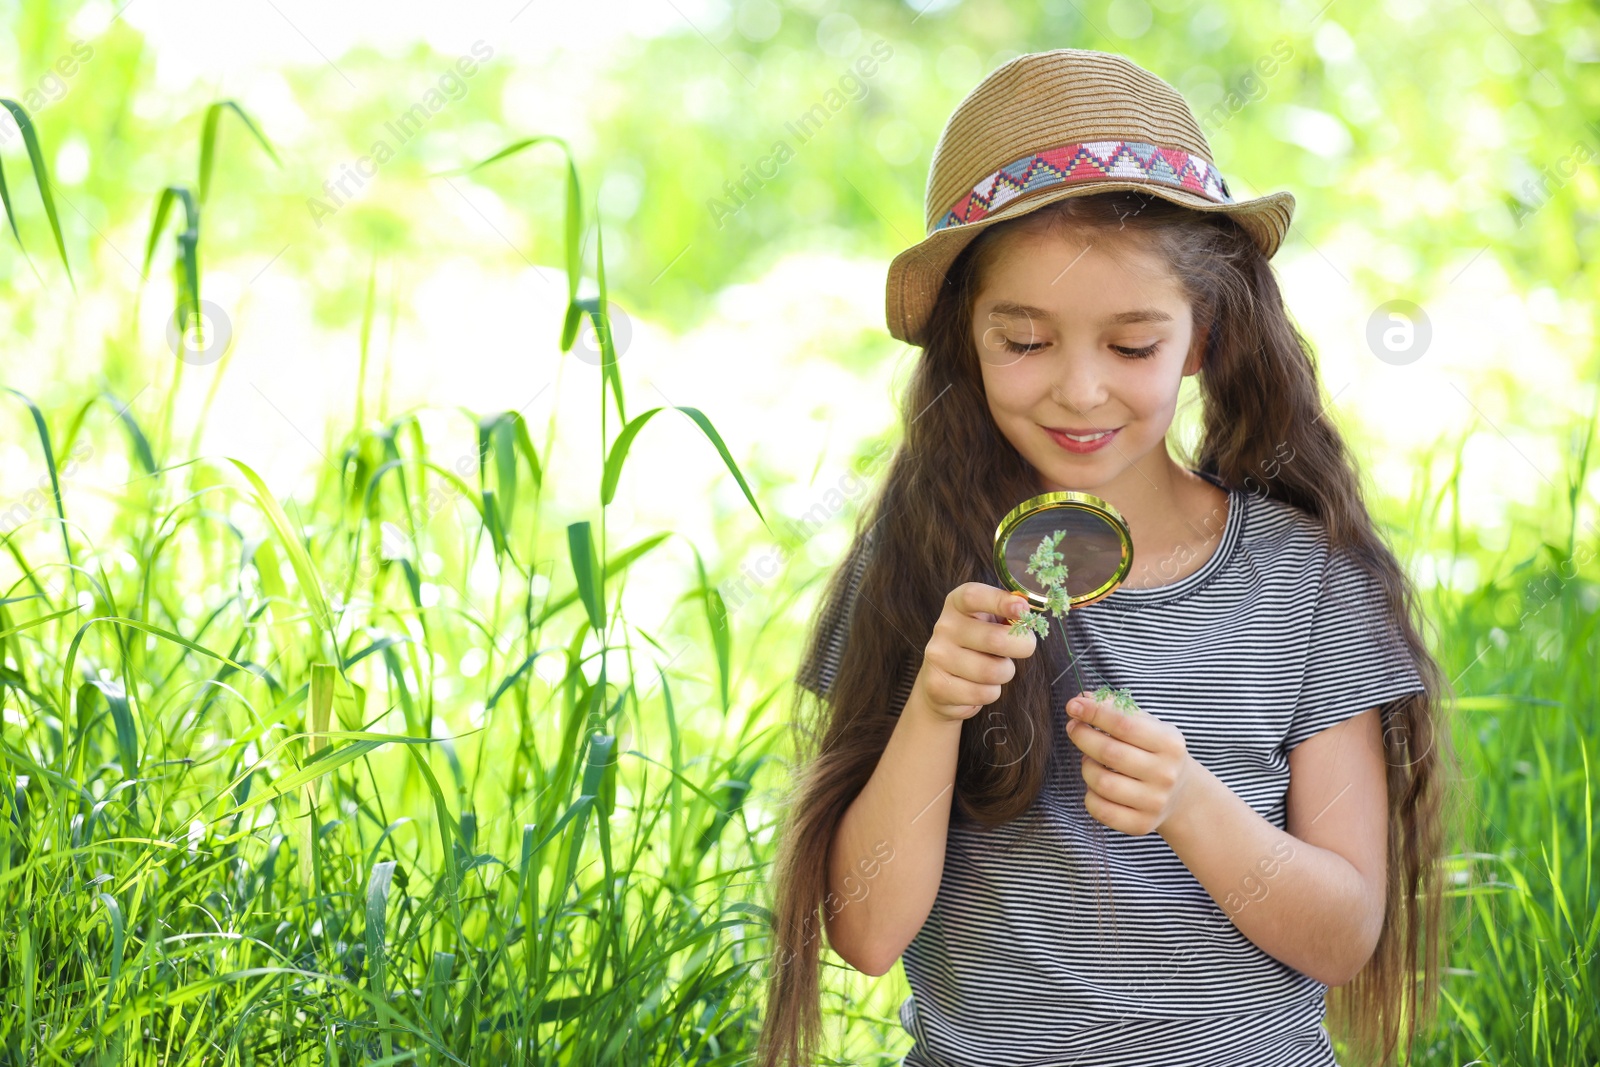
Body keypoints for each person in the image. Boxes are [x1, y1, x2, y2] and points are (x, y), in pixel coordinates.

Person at [757, 48, 1461, 1067]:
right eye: (1025, 341)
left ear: (1203, 337)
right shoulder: (919, 567)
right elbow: (864, 935)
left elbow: (1344, 935)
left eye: (1131, 346)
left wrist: (1190, 803)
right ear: (966, 341)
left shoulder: (1306, 581)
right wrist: (935, 706)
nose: (1079, 391)